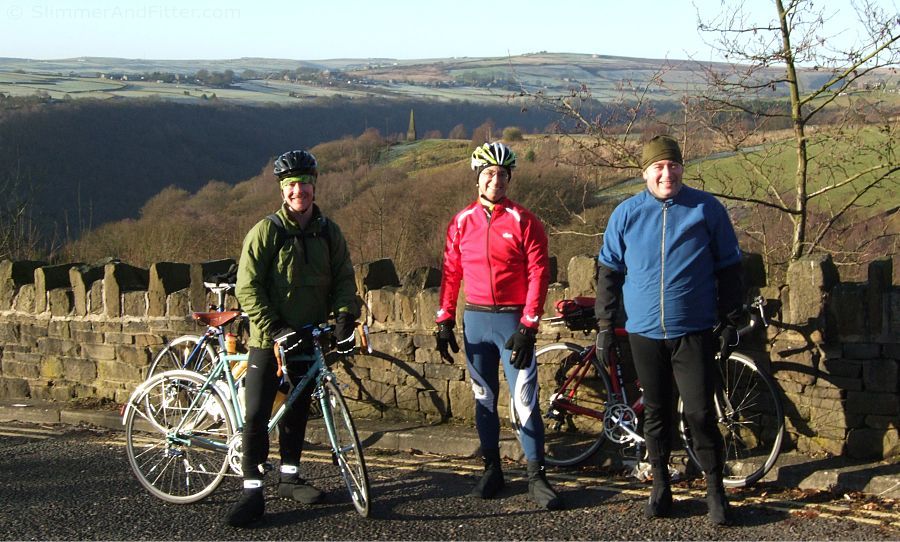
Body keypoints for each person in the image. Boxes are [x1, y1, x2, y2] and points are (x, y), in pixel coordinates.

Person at [594, 135, 744, 525]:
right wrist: (607, 325)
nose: (666, 173)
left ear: (682, 168)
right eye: (658, 167)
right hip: (643, 332)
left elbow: (729, 267)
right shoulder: (626, 214)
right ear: (645, 172)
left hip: (692, 330)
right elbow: (608, 271)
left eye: (673, 165)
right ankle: (661, 484)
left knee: (699, 413)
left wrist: (730, 320)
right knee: (656, 414)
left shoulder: (706, 209)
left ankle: (716, 491)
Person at [227, 149, 359, 527]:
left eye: (304, 184)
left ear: (314, 187)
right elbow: (247, 287)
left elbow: (343, 277)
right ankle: (252, 490)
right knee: (257, 412)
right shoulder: (267, 231)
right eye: (291, 185)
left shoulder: (328, 231)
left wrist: (344, 313)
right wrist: (275, 328)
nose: (299, 190)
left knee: (298, 409)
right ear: (283, 191)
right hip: (268, 340)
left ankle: (289, 477)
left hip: (308, 335)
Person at [434, 141, 561, 510]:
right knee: (484, 399)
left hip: (511, 320)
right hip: (475, 320)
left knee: (524, 401)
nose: (496, 180)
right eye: (490, 174)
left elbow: (540, 272)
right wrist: (443, 319)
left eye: (503, 175)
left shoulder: (524, 220)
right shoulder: (461, 222)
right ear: (478, 178)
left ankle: (537, 476)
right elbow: (451, 271)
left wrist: (529, 323)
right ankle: (492, 469)